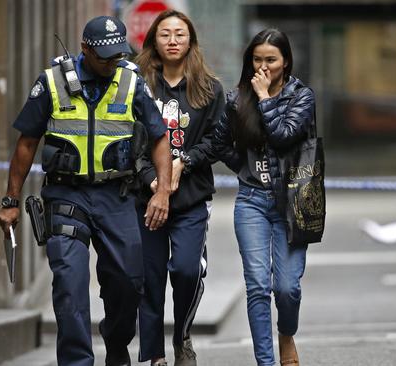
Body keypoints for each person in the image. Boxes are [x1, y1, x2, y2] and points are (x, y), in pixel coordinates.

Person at [0, 16, 172, 366]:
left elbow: (159, 137)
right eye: (104, 56)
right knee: (70, 285)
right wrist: (10, 201)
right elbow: (27, 142)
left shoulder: (131, 81)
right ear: (85, 48)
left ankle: (117, 342)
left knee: (127, 282)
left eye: (118, 54)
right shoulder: (51, 82)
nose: (112, 62)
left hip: (117, 196)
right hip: (66, 196)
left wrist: (162, 191)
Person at [212, 28, 315, 366]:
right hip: (251, 202)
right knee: (257, 286)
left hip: (292, 204)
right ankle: (266, 362)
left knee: (287, 289)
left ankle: (286, 335)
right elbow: (219, 142)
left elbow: (284, 136)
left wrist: (266, 99)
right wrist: (242, 165)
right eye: (257, 59)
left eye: (271, 59)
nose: (263, 66)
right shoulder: (235, 99)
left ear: (285, 61)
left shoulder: (302, 97)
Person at [133, 9, 224, 366]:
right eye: (165, 34)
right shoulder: (137, 86)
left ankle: (182, 334)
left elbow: (218, 139)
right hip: (145, 198)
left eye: (180, 35)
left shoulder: (208, 88)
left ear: (191, 42)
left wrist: (183, 162)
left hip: (191, 198)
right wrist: (150, 178)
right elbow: (127, 138)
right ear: (154, 40)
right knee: (150, 277)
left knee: (186, 270)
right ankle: (154, 355)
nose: (173, 41)